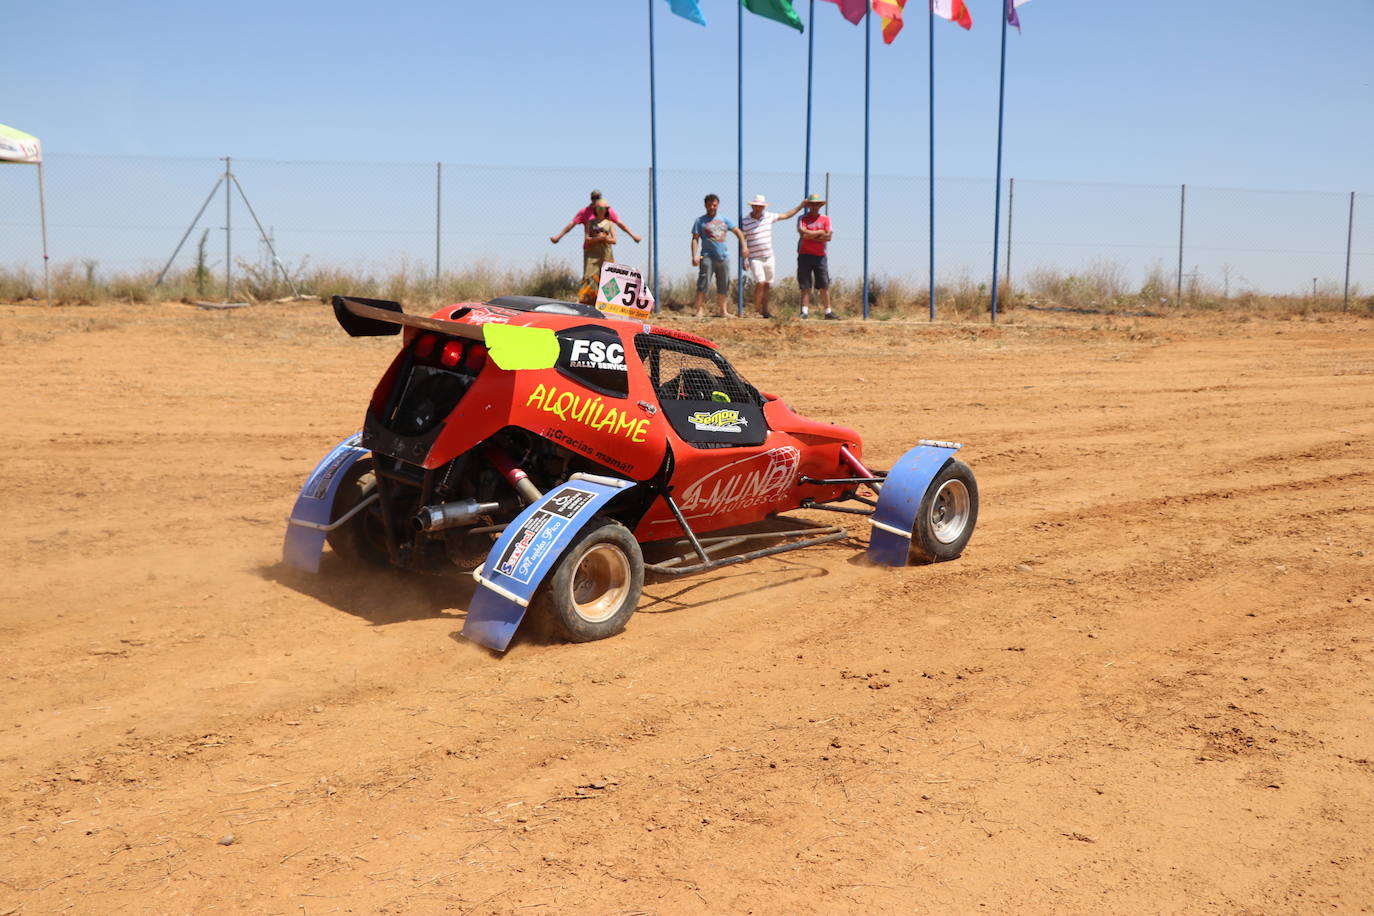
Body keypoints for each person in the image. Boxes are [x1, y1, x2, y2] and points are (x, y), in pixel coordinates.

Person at [740, 194, 805, 318]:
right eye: (756, 206)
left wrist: (800, 206)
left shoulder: (769, 216)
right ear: (752, 206)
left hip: (769, 256)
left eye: (761, 206)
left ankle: (765, 311)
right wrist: (743, 259)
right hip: (754, 257)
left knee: (767, 284)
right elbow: (743, 240)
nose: (759, 208)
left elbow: (786, 215)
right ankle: (756, 310)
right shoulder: (745, 221)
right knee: (760, 282)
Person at [691, 193, 749, 318]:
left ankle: (723, 311)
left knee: (724, 284)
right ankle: (699, 310)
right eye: (709, 204)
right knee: (703, 283)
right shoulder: (700, 221)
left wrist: (744, 246)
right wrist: (694, 255)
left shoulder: (724, 219)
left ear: (717, 205)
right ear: (705, 205)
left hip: (723, 257)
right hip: (707, 256)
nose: (712, 207)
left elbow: (737, 231)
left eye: (714, 204)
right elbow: (695, 239)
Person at [797, 193, 838, 319]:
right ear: (809, 205)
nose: (814, 207)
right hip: (804, 255)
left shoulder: (825, 219)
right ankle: (804, 312)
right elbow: (803, 234)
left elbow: (829, 237)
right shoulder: (802, 218)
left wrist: (812, 235)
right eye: (812, 204)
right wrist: (820, 232)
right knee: (805, 285)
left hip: (820, 256)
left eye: (817, 204)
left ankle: (828, 312)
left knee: (824, 285)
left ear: (820, 205)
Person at [550, 189, 641, 245]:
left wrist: (633, 236)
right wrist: (558, 237)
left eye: (598, 198)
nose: (595, 200)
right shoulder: (584, 211)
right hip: (590, 247)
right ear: (591, 199)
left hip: (605, 247)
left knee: (605, 275)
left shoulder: (607, 210)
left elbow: (621, 224)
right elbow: (571, 225)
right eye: (594, 198)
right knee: (590, 276)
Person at [579, 198, 617, 305]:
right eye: (599, 208)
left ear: (606, 210)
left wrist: (604, 238)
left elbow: (614, 240)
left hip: (606, 254)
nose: (601, 210)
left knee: (608, 276)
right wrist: (597, 239)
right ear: (595, 209)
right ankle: (586, 301)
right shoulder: (590, 223)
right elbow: (587, 239)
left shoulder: (609, 223)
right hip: (592, 254)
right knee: (589, 276)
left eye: (603, 208)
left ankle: (610, 303)